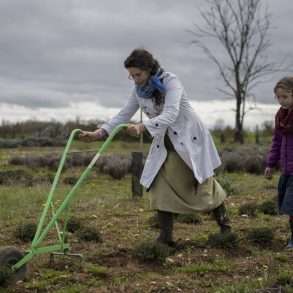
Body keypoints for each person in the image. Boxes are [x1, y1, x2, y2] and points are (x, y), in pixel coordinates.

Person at [80, 48, 231, 246]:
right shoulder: (139, 90)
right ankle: (166, 238)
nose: (134, 79)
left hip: (189, 140)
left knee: (204, 188)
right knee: (160, 186)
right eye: (131, 75)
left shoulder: (171, 82)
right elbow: (123, 114)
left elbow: (171, 113)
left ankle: (225, 226)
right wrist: (100, 133)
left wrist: (144, 126)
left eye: (138, 74)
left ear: (149, 69)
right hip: (165, 143)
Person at [265, 76, 293, 249]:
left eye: (285, 97)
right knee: (289, 208)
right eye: (279, 97)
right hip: (287, 170)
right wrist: (270, 163)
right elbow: (276, 141)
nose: (281, 101)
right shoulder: (280, 116)